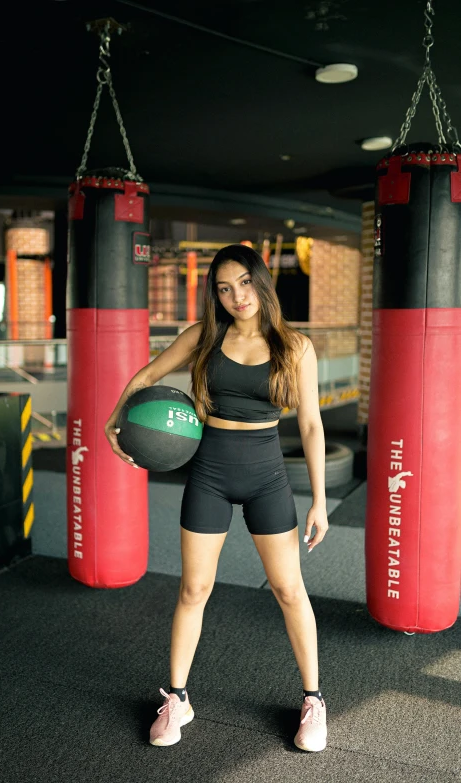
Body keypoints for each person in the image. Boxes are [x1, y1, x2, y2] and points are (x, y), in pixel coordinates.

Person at [105, 244, 329, 752]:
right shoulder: (205, 337)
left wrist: (318, 499)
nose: (236, 296)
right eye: (225, 288)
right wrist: (115, 417)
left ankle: (313, 699)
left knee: (289, 590)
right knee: (193, 590)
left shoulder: (295, 346)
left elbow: (312, 425)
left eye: (244, 283)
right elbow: (146, 376)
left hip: (268, 476)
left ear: (261, 281)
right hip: (209, 472)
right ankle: (178, 698)